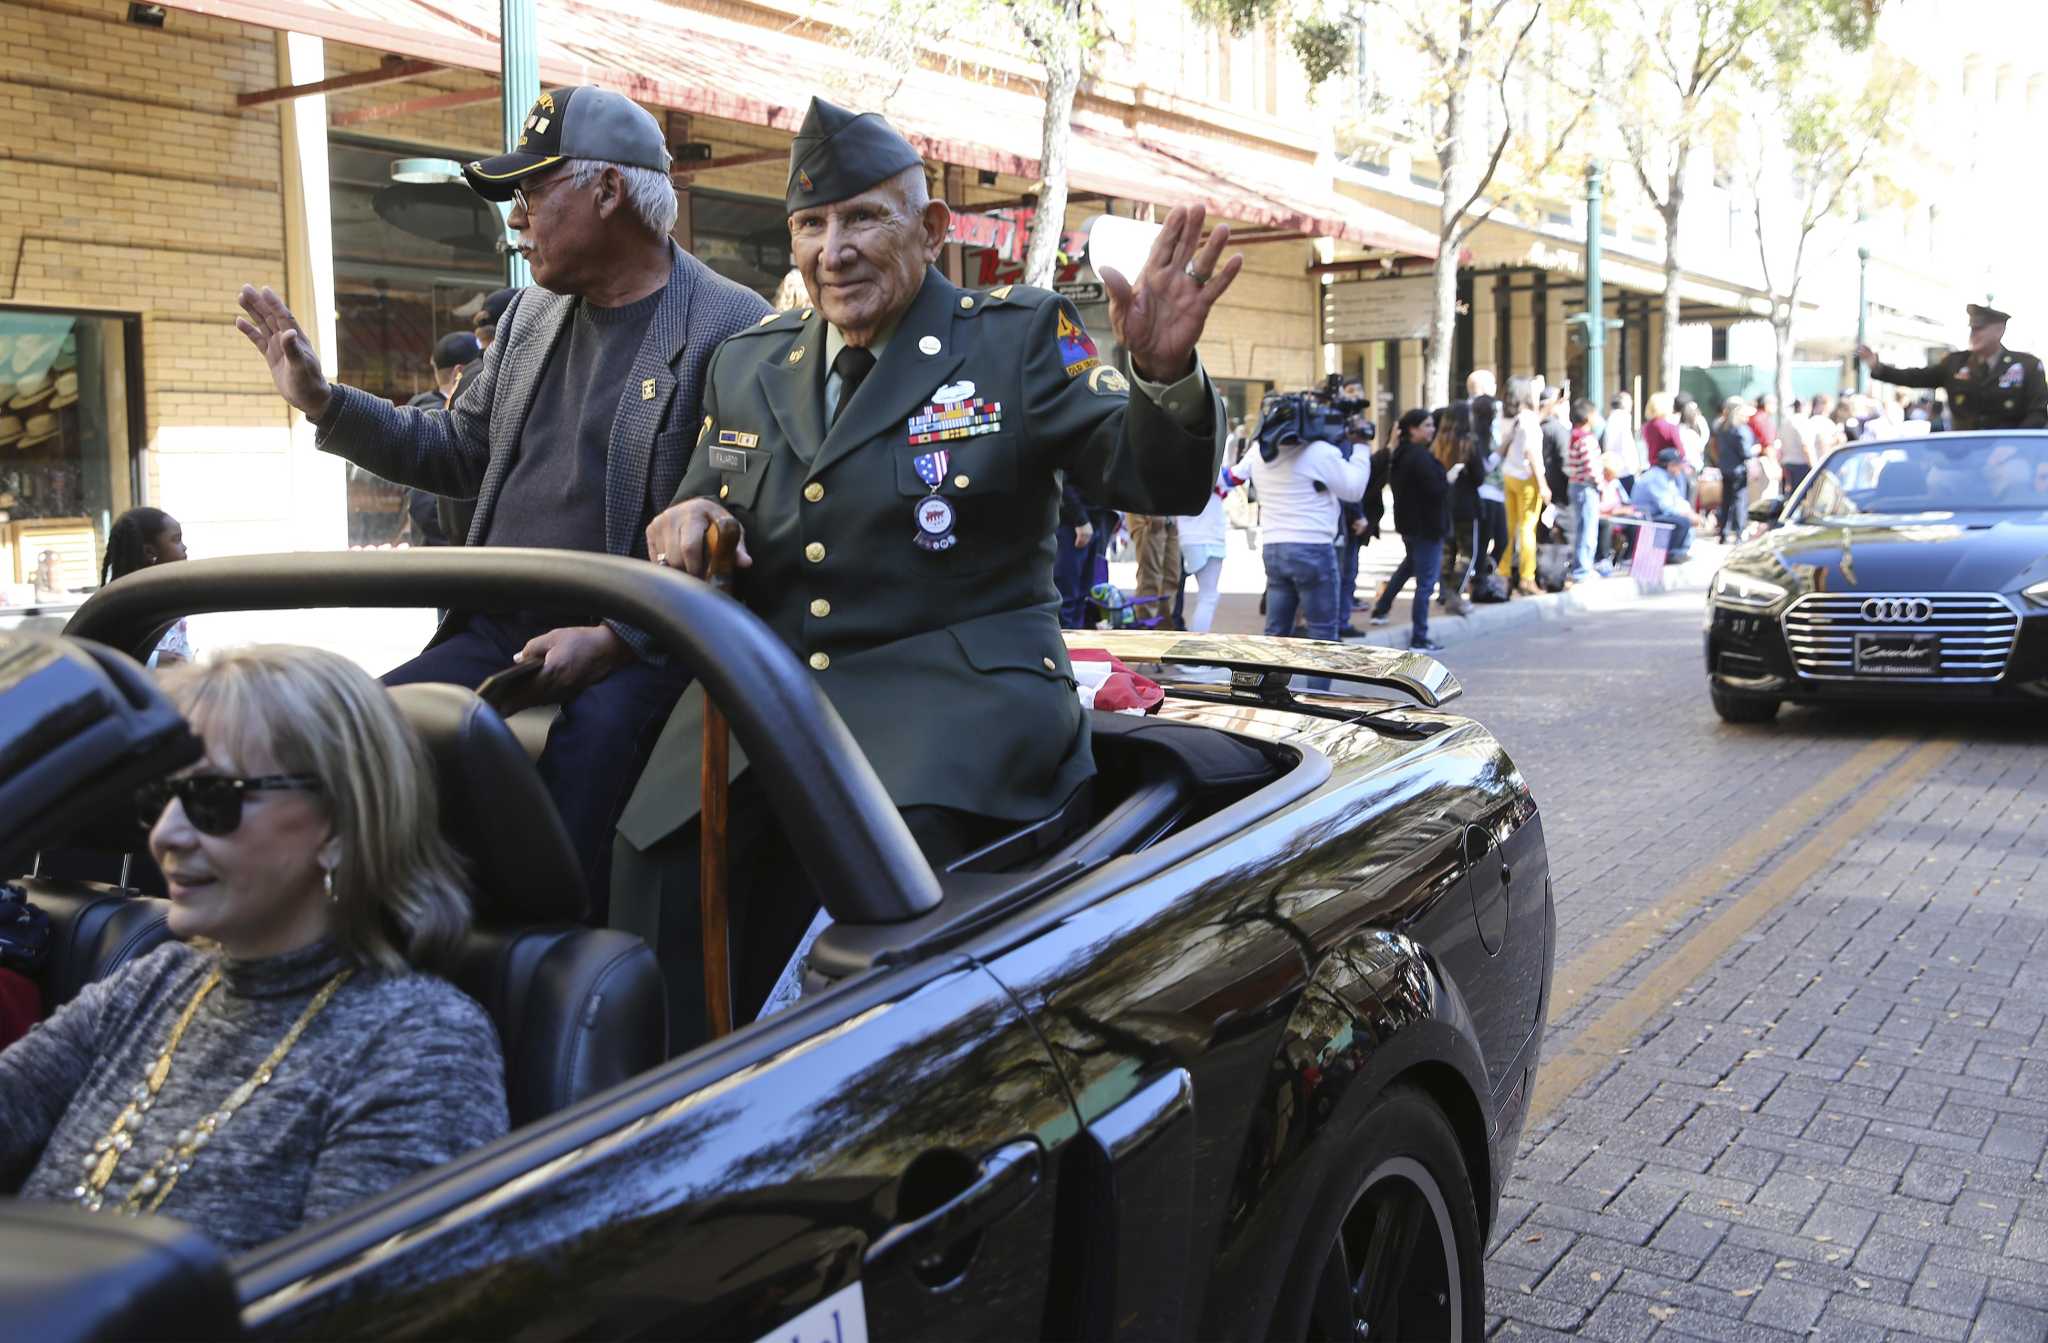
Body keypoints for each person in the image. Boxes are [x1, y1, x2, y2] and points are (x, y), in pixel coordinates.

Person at [626, 98, 1233, 1040]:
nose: (835, 249)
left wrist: (1161, 373)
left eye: (864, 217)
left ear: (934, 230)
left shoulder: (1023, 336)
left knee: (886, 898)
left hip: (955, 706)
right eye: (811, 225)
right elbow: (699, 507)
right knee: (647, 854)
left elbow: (1153, 475)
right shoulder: (749, 364)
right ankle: (654, 1112)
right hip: (771, 704)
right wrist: (688, 523)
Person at [234, 87, 773, 898]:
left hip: (643, 645)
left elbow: (734, 523)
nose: (514, 220)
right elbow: (456, 449)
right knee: (353, 737)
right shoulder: (528, 317)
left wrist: (617, 639)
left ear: (607, 191)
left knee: (579, 779)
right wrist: (324, 401)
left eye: (530, 193)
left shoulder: (732, 327)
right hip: (500, 626)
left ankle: (555, 982)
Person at [0, 646, 506, 1253]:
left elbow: (361, 1311)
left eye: (213, 797)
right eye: (160, 798)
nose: (166, 835)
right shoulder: (154, 983)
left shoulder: (421, 1043)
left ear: (341, 826)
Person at [1238, 409, 1368, 647]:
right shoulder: (1320, 452)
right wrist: (1361, 448)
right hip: (1313, 547)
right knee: (1323, 635)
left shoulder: (1259, 451)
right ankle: (1315, 687)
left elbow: (1232, 476)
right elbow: (1353, 489)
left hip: (1274, 547)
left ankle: (1268, 684)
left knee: (1276, 632)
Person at [1858, 304, 2048, 432]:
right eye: (1972, 329)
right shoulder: (1955, 363)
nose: (1974, 334)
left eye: (1979, 329)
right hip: (1962, 457)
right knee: (1936, 482)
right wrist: (1877, 366)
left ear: (1999, 330)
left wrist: (2011, 448)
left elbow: (2037, 414)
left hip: (2011, 456)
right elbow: (1916, 377)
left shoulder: (2027, 366)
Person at [1365, 408, 1448, 651]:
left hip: (1411, 525)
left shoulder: (1401, 454)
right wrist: (1446, 479)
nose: (1432, 431)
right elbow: (1434, 489)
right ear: (1413, 429)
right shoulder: (1418, 457)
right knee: (1425, 582)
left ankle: (1382, 607)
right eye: (1427, 426)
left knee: (1409, 566)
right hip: (1426, 526)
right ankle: (1419, 637)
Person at [402, 331, 483, 547]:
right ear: (459, 372)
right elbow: (425, 504)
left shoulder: (418, 413)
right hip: (449, 559)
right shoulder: (447, 422)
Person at [100, 507, 192, 668]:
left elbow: (182, 649)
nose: (184, 547)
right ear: (150, 552)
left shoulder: (171, 597)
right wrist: (154, 660)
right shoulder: (122, 604)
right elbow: (109, 656)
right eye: (176, 539)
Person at [1499, 378, 1549, 596]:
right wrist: (1543, 484)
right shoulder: (1528, 418)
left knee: (1508, 528)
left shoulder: (1505, 415)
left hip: (1508, 474)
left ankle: (1503, 573)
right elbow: (1532, 452)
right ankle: (1527, 578)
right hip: (1527, 477)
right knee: (1528, 528)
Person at [1176, 462, 1231, 633]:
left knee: (1206, 596)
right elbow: (1234, 477)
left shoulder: (1177, 465)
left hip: (1187, 535)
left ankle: (1192, 647)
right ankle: (1195, 650)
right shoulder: (1209, 465)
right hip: (1207, 536)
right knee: (1208, 596)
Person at [1054, 481, 1115, 630]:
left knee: (1082, 597)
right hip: (1073, 522)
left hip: (1095, 519)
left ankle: (1074, 649)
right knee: (1067, 598)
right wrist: (1080, 519)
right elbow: (1063, 480)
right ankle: (1065, 650)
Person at [1628, 446, 1698, 563]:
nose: (1681, 467)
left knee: (1687, 518)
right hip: (1644, 517)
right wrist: (1688, 515)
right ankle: (1669, 555)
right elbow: (1667, 507)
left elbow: (1677, 500)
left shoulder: (1666, 476)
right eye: (1678, 464)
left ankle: (1679, 552)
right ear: (1670, 465)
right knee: (1683, 521)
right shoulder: (1655, 477)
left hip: (1655, 513)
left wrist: (1690, 512)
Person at [1564, 398, 1602, 585]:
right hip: (1586, 487)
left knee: (1581, 527)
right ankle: (1583, 569)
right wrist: (1600, 485)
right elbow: (1592, 468)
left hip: (1575, 485)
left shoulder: (1573, 436)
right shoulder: (1586, 438)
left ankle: (1582, 567)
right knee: (1587, 528)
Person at [1711, 397, 1753, 542]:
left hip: (1725, 467)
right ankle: (1739, 534)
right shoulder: (1740, 429)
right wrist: (1755, 450)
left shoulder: (1721, 427)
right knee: (1740, 501)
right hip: (1738, 469)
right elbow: (1746, 452)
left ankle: (1723, 532)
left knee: (1726, 501)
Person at [1602, 391, 1641, 495]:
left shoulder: (1613, 418)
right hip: (1623, 469)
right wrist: (1633, 465)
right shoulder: (1621, 419)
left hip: (1619, 468)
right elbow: (1626, 446)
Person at [1778, 396, 1811, 495]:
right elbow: (1805, 445)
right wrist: (1813, 465)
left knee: (1788, 496)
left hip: (1786, 463)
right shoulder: (1803, 421)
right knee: (1800, 496)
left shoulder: (1786, 422)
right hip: (1800, 464)